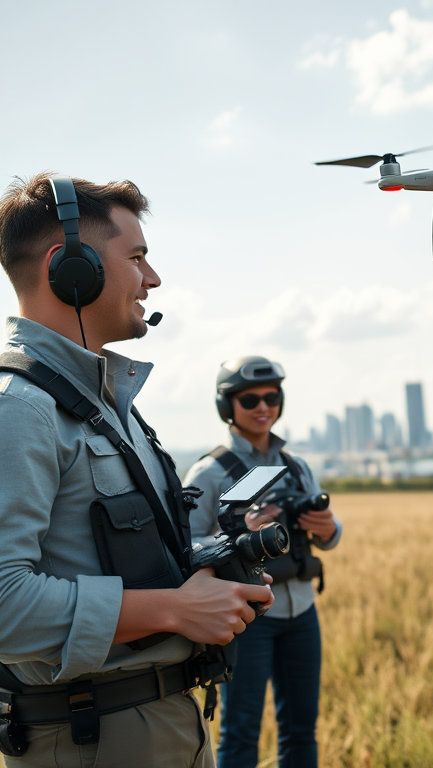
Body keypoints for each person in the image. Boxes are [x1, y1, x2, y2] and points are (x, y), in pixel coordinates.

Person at [0, 173, 273, 767]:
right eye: (138, 258)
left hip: (162, 724)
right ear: (70, 267)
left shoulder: (107, 405)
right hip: (90, 738)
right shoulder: (17, 410)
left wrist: (206, 572)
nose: (153, 279)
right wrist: (174, 610)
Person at [184, 357, 341, 768]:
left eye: (271, 397)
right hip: (246, 619)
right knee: (241, 732)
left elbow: (331, 536)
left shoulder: (296, 465)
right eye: (249, 399)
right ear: (226, 406)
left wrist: (326, 526)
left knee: (302, 730)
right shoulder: (209, 472)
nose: (262, 406)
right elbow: (183, 548)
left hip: (303, 611)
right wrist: (240, 534)